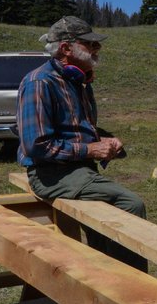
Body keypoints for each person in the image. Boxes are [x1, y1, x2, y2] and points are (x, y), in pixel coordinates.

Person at [17, 16, 148, 272]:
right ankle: (134, 285)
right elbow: (36, 145)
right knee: (131, 203)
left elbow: (76, 129)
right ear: (66, 48)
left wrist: (104, 140)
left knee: (103, 216)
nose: (97, 49)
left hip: (79, 170)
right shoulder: (39, 83)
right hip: (50, 174)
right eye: (90, 44)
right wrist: (90, 149)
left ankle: (108, 277)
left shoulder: (79, 82)